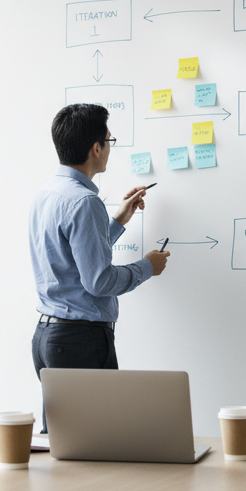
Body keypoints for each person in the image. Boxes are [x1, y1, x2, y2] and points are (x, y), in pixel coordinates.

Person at [29, 103, 169, 397]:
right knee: (96, 438)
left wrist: (118, 219)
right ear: (96, 148)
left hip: (49, 337)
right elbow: (99, 281)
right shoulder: (84, 201)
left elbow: (75, 255)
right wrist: (147, 267)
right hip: (80, 340)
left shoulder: (47, 193)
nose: (109, 148)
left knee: (61, 438)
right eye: (109, 141)